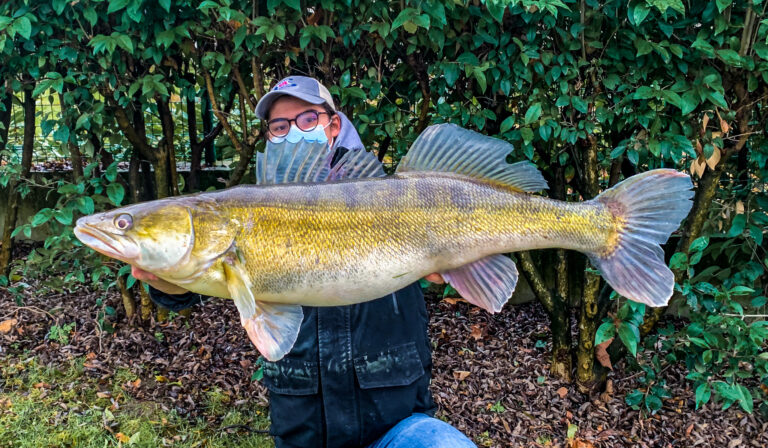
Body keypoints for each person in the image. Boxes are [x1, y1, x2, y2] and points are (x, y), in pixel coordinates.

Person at [133, 76, 477, 448]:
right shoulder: (252, 209)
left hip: (398, 425)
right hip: (305, 432)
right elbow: (192, 287)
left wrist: (458, 264)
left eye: (308, 119)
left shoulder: (392, 196)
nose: (294, 132)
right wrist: (167, 282)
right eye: (280, 126)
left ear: (335, 124)